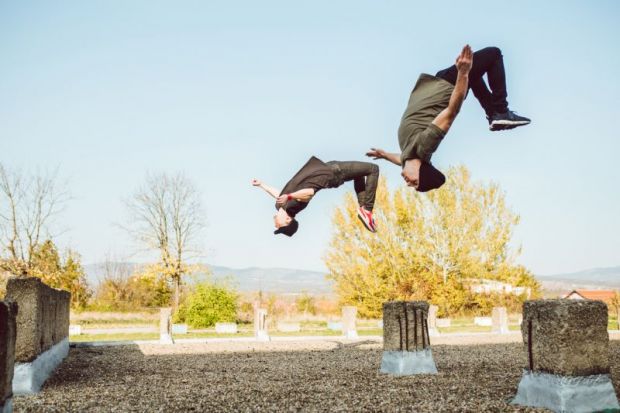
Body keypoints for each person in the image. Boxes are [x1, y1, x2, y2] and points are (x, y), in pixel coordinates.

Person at [367, 45, 531, 192]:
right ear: (421, 171)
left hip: (436, 85)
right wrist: (463, 73)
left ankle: (493, 114)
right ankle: (501, 110)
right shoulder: (425, 146)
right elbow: (452, 111)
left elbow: (398, 159)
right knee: (494, 54)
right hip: (447, 87)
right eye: (415, 182)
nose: (408, 183)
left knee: (474, 77)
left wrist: (384, 154)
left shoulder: (408, 156)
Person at [252, 156, 379, 236]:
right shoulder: (294, 207)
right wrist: (290, 196)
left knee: (359, 175)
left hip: (328, 169)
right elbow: (309, 193)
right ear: (288, 220)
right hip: (334, 173)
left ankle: (363, 208)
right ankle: (367, 209)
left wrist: (262, 185)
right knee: (373, 169)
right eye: (279, 227)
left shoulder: (280, 205)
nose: (276, 225)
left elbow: (278, 194)